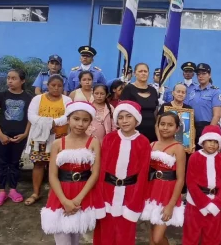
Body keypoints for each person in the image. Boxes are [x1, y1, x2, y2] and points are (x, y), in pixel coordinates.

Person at [41, 101, 105, 244]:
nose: (80, 124)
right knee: (62, 239)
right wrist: (64, 201)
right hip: (61, 194)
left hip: (82, 194)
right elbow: (52, 175)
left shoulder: (93, 143)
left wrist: (78, 199)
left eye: (85, 120)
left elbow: (95, 174)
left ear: (90, 122)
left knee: (75, 239)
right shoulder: (58, 143)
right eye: (76, 119)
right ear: (68, 119)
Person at [93, 100, 151, 245]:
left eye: (128, 116)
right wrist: (99, 198)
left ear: (136, 118)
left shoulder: (143, 142)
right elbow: (101, 170)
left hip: (129, 197)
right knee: (105, 235)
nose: (124, 121)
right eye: (120, 117)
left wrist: (135, 202)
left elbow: (143, 175)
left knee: (124, 236)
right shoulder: (109, 139)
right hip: (107, 194)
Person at [25, 75, 72, 206]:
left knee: (58, 165)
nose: (56, 88)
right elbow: (31, 116)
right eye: (53, 85)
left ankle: (55, 195)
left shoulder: (67, 100)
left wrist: (52, 123)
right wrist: (47, 125)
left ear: (63, 87)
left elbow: (67, 116)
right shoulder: (37, 99)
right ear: (48, 86)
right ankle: (36, 193)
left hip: (59, 137)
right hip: (40, 138)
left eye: (59, 86)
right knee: (39, 164)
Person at [141, 112, 186, 245]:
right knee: (152, 236)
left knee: (157, 238)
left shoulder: (178, 148)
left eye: (170, 125)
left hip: (167, 194)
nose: (165, 128)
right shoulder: (152, 145)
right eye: (162, 124)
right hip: (151, 191)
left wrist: (171, 205)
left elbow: (180, 179)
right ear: (158, 125)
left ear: (177, 128)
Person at [0, 69, 32, 206]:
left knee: (14, 163)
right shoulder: (1, 96)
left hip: (19, 136)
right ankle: (2, 191)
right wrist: (0, 134)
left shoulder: (28, 98)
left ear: (22, 81)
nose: (10, 80)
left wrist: (25, 134)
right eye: (8, 78)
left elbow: (30, 118)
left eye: (14, 78)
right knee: (1, 164)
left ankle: (13, 190)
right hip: (2, 136)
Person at [182, 125, 221, 245]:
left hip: (215, 205)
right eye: (209, 141)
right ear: (203, 141)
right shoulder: (194, 157)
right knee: (191, 237)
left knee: (212, 238)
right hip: (195, 204)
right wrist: (204, 204)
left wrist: (217, 204)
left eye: (215, 142)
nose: (212, 144)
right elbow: (191, 182)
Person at [185, 63, 221, 149]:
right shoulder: (192, 91)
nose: (200, 76)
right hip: (191, 128)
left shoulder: (215, 91)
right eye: (198, 74)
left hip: (207, 126)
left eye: (204, 73)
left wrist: (208, 133)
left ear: (209, 75)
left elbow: (217, 115)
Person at [120, 63, 159, 142]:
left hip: (151, 131)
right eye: (140, 71)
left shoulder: (153, 90)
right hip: (133, 131)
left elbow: (155, 111)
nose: (143, 73)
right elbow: (122, 111)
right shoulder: (128, 89)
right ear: (135, 74)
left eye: (145, 71)